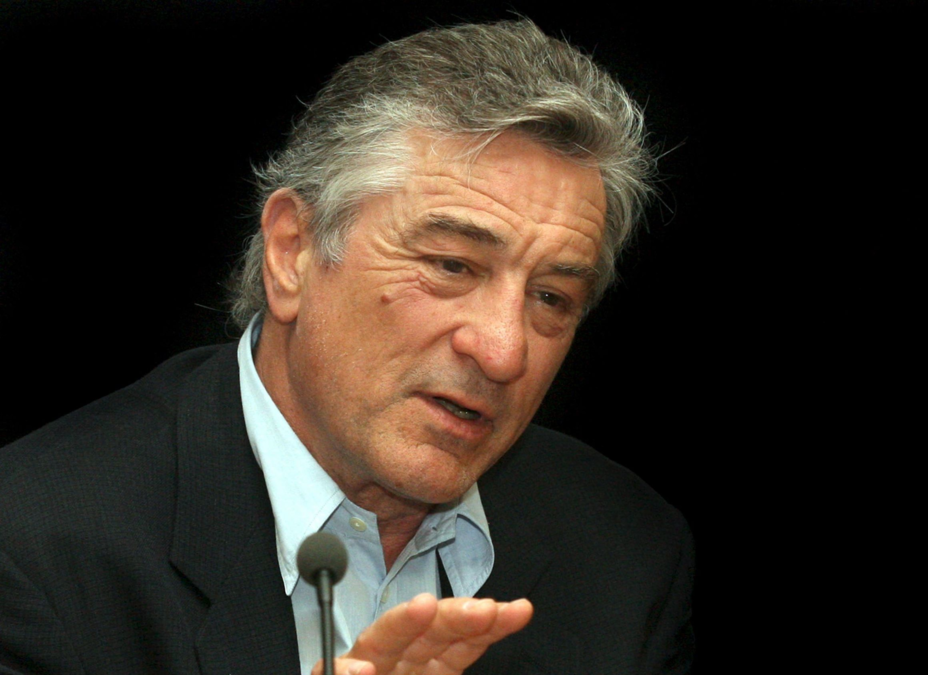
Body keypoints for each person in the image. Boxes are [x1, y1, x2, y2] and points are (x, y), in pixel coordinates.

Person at [0, 20, 693, 675]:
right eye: (451, 265)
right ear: (292, 253)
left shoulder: (628, 554)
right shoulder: (34, 548)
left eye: (551, 298)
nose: (504, 351)